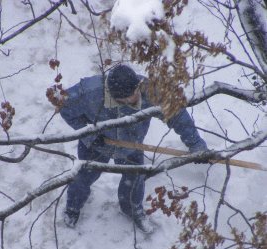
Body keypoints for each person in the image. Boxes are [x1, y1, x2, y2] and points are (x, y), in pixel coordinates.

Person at [60, 65, 208, 233]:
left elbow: (177, 115)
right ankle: (73, 206)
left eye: (137, 89)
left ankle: (131, 208)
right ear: (116, 97)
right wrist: (90, 136)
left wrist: (196, 144)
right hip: (96, 145)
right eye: (131, 97)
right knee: (83, 177)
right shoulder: (90, 92)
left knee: (135, 178)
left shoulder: (149, 91)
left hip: (131, 143)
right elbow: (64, 107)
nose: (138, 95)